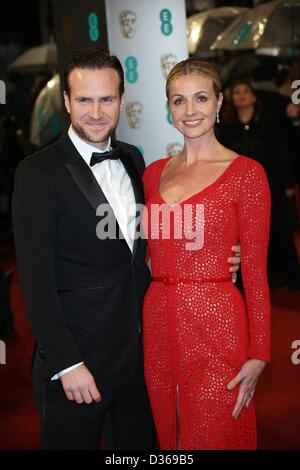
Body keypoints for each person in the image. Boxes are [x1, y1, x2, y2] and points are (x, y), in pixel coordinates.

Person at [12, 48, 240, 450]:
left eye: (107, 99)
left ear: (121, 101)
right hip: (77, 364)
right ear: (66, 101)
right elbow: (35, 281)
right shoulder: (37, 173)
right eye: (84, 100)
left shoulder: (134, 160)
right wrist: (67, 363)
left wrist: (221, 257)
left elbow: (150, 244)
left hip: (138, 359)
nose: (96, 112)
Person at [142, 59, 271, 450]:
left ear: (219, 102)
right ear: (169, 109)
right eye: (178, 101)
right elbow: (147, 252)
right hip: (158, 322)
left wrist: (260, 352)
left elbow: (255, 271)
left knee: (216, 433)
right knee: (170, 435)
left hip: (217, 323)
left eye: (201, 98)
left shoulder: (247, 173)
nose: (190, 110)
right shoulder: (153, 172)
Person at [220, 80, 299, 290]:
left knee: (279, 230)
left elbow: (282, 153)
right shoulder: (228, 128)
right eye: (237, 92)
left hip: (271, 185)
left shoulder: (268, 123)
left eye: (246, 91)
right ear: (232, 100)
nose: (242, 95)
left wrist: (288, 183)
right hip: (240, 191)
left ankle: (291, 276)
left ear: (254, 97)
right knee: (247, 236)